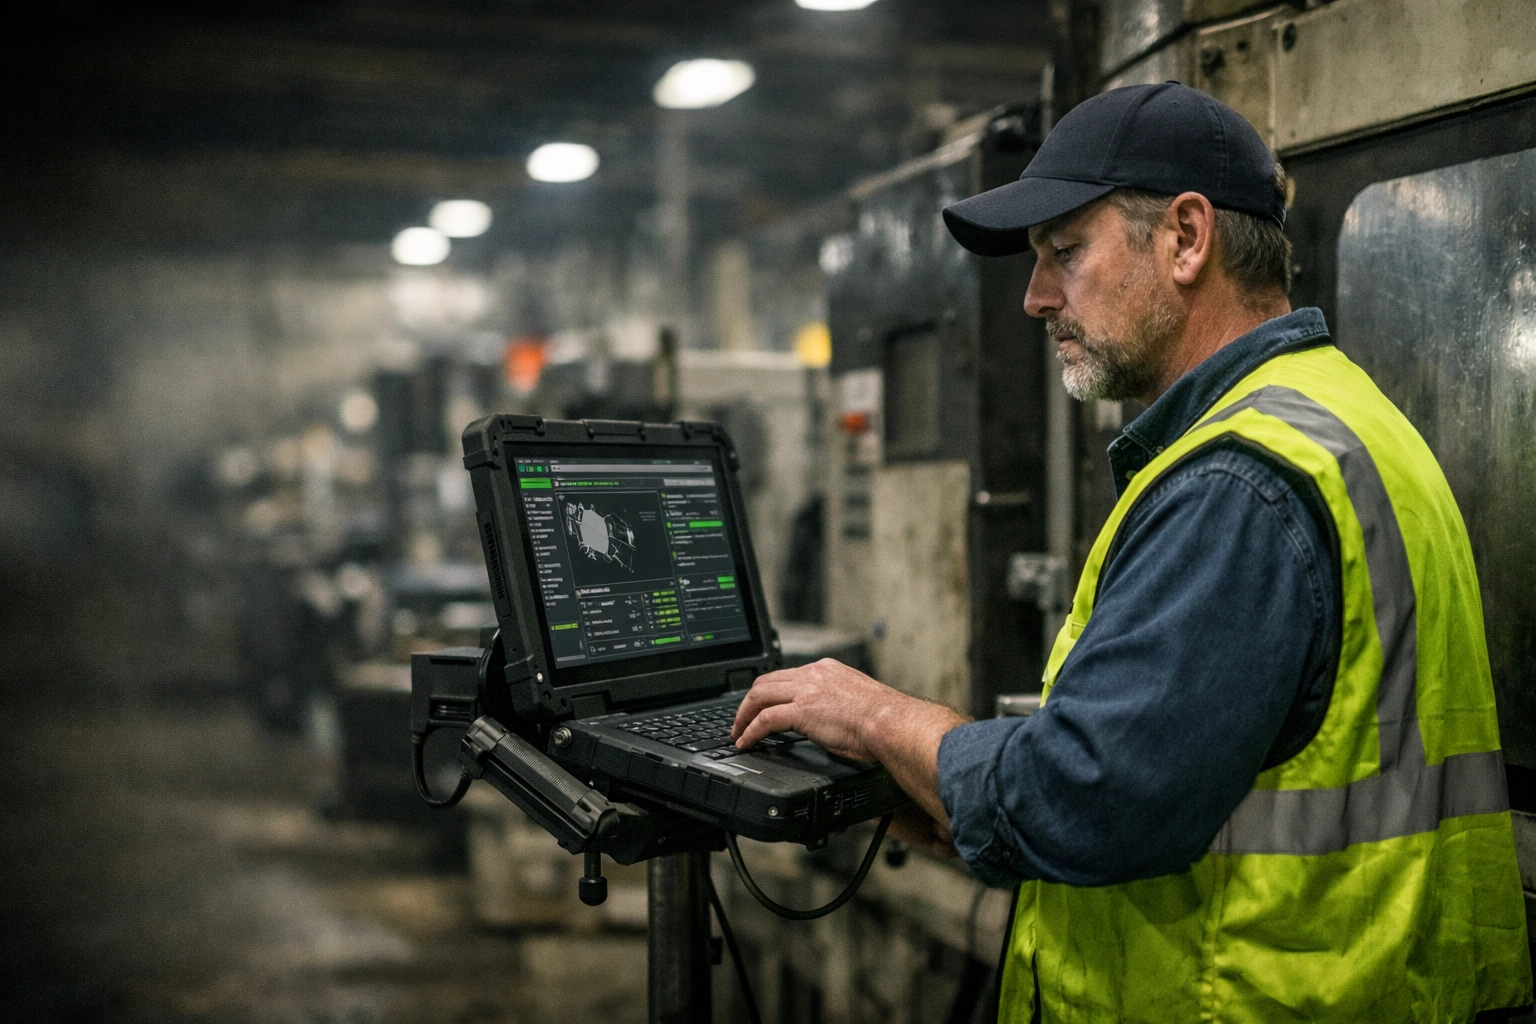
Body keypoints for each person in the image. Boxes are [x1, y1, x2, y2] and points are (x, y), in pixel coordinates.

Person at [730, 82, 1533, 1022]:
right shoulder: (1342, 414)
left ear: (1187, 239)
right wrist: (957, 797)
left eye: (1064, 251)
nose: (1033, 298)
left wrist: (873, 718)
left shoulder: (1241, 483)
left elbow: (1091, 795)